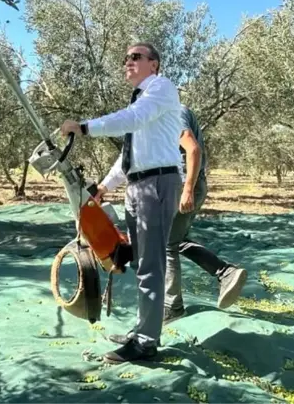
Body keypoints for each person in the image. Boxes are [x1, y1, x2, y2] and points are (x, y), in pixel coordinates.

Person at [61, 42, 183, 364]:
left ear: (154, 64)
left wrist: (85, 127)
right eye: (125, 57)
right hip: (141, 183)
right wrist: (104, 186)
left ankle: (145, 343)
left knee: (151, 266)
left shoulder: (160, 88)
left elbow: (132, 119)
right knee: (143, 262)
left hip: (156, 184)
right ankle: (143, 330)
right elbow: (129, 156)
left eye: (136, 56)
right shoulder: (143, 101)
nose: (127, 61)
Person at [163, 106, 247, 322]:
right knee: (177, 240)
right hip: (185, 184)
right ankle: (225, 273)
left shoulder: (171, 111)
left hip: (183, 186)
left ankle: (172, 306)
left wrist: (187, 189)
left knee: (167, 245)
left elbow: (192, 149)